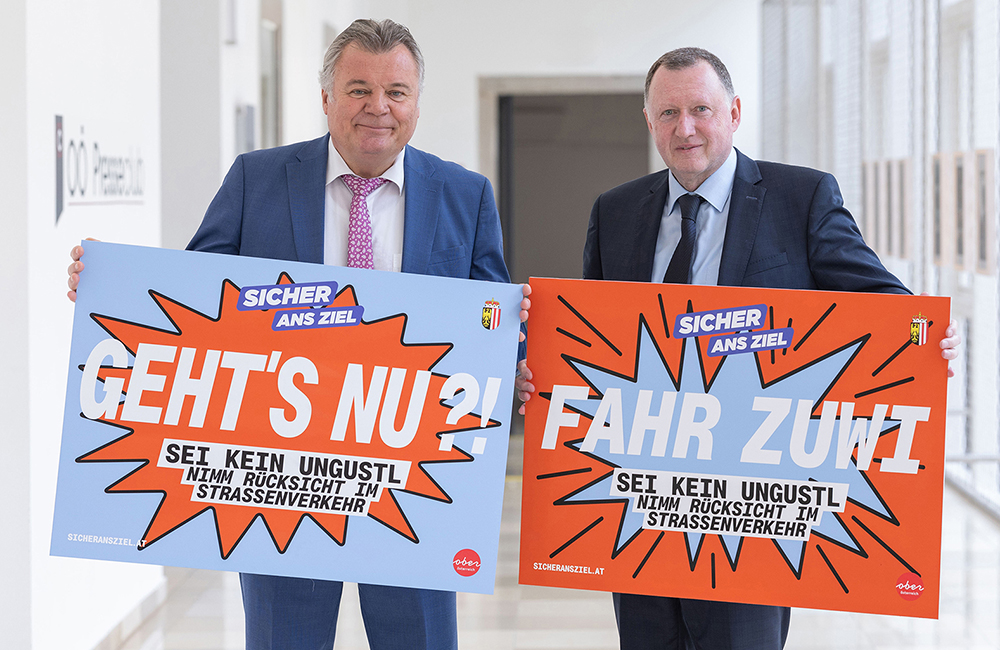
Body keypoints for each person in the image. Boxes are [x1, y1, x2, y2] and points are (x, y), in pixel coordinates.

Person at [68, 18, 529, 650]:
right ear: (326, 97)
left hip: (411, 480)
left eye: (396, 91)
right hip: (284, 478)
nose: (378, 107)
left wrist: (516, 359)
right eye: (359, 89)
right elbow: (194, 298)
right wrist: (111, 289)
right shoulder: (257, 179)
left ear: (417, 101)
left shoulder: (465, 195)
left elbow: (492, 325)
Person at [514, 47, 960, 650]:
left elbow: (884, 305)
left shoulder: (801, 197)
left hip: (751, 509)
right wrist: (541, 374)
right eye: (668, 113)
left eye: (701, 109)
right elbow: (592, 344)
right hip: (639, 496)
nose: (685, 128)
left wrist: (928, 339)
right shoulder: (615, 210)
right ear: (648, 121)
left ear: (735, 113)